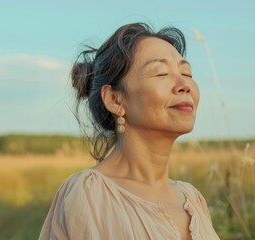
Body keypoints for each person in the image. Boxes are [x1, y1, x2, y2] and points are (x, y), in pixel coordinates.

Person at [39, 22, 220, 240]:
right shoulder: (91, 195)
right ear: (114, 99)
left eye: (187, 72)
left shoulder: (192, 199)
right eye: (161, 73)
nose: (184, 84)